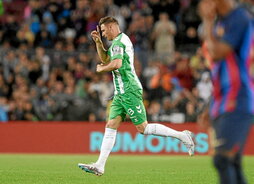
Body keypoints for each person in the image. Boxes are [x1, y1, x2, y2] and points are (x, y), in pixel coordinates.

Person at [78, 16, 195, 176]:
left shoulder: (119, 42)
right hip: (120, 93)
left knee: (143, 128)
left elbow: (116, 64)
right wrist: (98, 42)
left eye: (104, 31)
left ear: (112, 27)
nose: (103, 34)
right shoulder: (116, 43)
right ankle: (100, 165)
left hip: (129, 90)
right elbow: (106, 58)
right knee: (111, 125)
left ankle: (182, 136)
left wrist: (101, 69)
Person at [198, 0, 254, 183]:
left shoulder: (239, 18)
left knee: (222, 159)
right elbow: (219, 70)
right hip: (224, 100)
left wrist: (207, 21)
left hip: (238, 99)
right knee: (232, 162)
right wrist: (211, 105)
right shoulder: (223, 21)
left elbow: (217, 52)